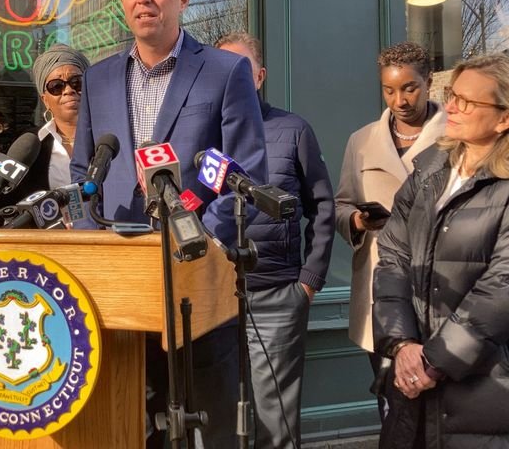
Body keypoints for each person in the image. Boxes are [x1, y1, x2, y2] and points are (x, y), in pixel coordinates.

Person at [70, 0, 267, 448]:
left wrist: (202, 248)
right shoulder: (98, 78)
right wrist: (95, 247)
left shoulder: (225, 71)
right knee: (134, 424)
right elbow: (83, 171)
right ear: (122, 1)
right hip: (120, 290)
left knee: (214, 428)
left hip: (197, 285)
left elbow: (244, 168)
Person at [373, 53, 509, 448]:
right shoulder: (431, 167)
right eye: (452, 95)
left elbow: (500, 289)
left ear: (503, 118)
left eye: (467, 101)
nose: (450, 106)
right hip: (411, 383)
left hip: (485, 389)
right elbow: (393, 255)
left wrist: (434, 362)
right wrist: (402, 344)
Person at [217, 32, 335, 448]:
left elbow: (323, 206)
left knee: (275, 422)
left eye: (241, 69)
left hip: (276, 296)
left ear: (260, 76)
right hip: (213, 300)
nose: (231, 78)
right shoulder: (203, 137)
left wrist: (308, 281)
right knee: (218, 415)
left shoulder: (293, 130)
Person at [335, 42, 446, 418]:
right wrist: (358, 221)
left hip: (441, 285)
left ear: (428, 81)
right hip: (381, 287)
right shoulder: (361, 141)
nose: (399, 100)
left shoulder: (457, 136)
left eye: (409, 88)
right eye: (389, 90)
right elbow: (341, 205)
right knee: (393, 405)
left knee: (443, 408)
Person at [8, 44, 90, 199]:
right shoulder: (31, 144)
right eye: (56, 86)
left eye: (77, 82)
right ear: (45, 100)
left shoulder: (109, 138)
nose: (68, 90)